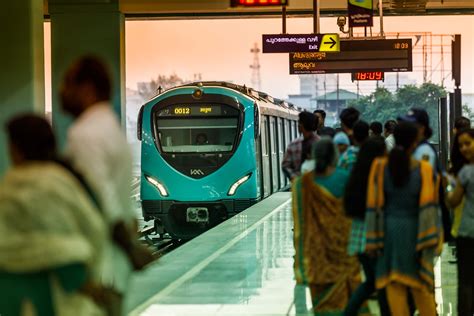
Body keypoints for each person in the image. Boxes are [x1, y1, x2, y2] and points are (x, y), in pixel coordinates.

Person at [60, 56, 153, 315]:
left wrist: (131, 247)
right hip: (114, 266)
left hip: (96, 266)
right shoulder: (111, 129)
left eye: (68, 84)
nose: (62, 92)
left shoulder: (84, 135)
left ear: (87, 89)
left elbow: (103, 198)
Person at [0, 114, 106, 316]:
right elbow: (84, 233)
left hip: (25, 295)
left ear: (16, 149)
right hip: (61, 294)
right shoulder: (61, 180)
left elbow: (56, 247)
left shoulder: (18, 185)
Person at [365, 122, 441, 316]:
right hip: (416, 232)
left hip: (388, 232)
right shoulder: (423, 169)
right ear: (415, 142)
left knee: (394, 286)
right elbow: (431, 207)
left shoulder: (380, 166)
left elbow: (373, 204)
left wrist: (373, 240)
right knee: (422, 287)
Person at [292, 138, 359, 314]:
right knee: (345, 305)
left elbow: (300, 227)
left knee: (322, 306)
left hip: (316, 257)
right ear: (335, 157)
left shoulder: (301, 185)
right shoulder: (346, 178)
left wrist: (300, 266)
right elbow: (355, 217)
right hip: (344, 253)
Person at [343, 137, 390, 316]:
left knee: (372, 281)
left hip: (358, 237)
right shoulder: (378, 174)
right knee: (380, 282)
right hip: (372, 237)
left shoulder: (357, 174)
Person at [446, 128, 474, 316]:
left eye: (467, 143)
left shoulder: (466, 172)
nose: (464, 148)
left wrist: (446, 186)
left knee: (466, 281)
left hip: (468, 233)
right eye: (461, 145)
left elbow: (453, 201)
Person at [282, 111, 319, 180]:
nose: (298, 125)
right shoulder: (322, 144)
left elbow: (285, 166)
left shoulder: (293, 145)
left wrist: (295, 178)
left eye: (299, 122)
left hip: (303, 186)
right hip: (318, 186)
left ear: (302, 125)